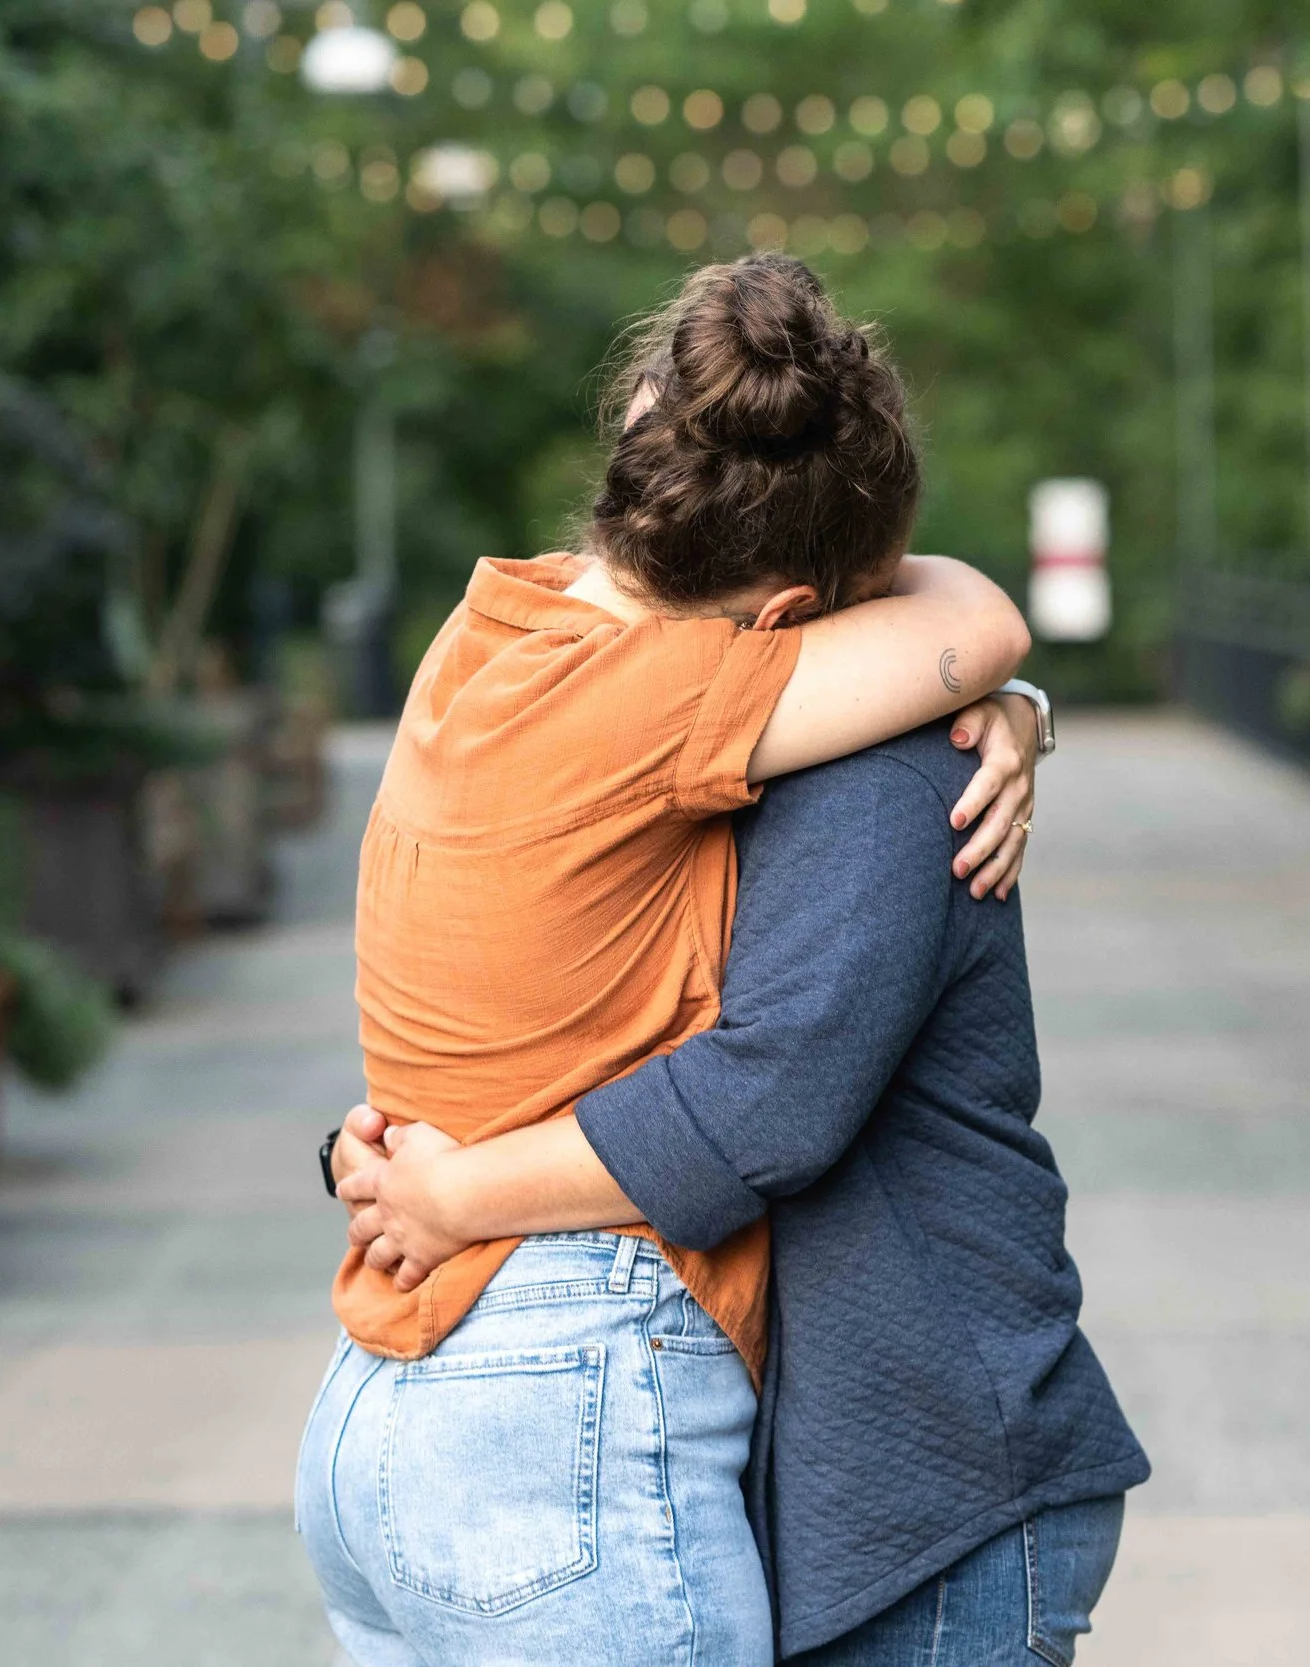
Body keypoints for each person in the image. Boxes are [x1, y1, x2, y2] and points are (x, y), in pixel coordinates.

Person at [293, 252, 1046, 1666]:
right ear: (789, 618)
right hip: (567, 1392)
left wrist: (1013, 707)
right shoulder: (675, 696)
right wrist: (1006, 696)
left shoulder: (485, 633)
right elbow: (975, 624)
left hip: (380, 1413)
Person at [335, 706, 1149, 1664]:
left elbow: (766, 1104)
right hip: (822, 1484)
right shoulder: (670, 755)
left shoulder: (880, 782)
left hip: (930, 1481)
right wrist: (391, 1152)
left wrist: (452, 1196)